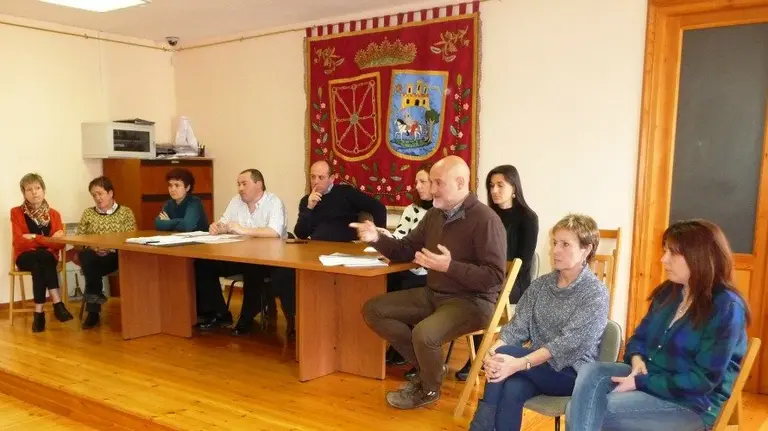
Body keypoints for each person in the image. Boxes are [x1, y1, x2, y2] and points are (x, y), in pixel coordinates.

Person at [352, 155, 507, 410]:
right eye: (431, 182)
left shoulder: (486, 220)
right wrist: (375, 238)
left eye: (438, 183)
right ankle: (431, 367)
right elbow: (405, 249)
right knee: (374, 310)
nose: (431, 189)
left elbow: (494, 277)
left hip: (473, 302)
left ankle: (429, 388)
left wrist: (450, 267)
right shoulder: (434, 215)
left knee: (424, 334)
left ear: (459, 182)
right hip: (434, 294)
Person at [565, 220, 750, 431]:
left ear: (700, 257)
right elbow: (639, 338)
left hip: (690, 404)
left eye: (672, 253)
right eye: (665, 251)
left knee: (584, 410)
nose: (664, 259)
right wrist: (636, 358)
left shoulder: (726, 307)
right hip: (650, 379)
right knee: (592, 371)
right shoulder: (669, 293)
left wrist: (640, 383)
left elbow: (702, 381)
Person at [469, 214, 609, 431]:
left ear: (586, 249)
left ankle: (479, 427)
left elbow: (566, 345)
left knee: (507, 354)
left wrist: (518, 362)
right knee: (513, 388)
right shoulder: (540, 286)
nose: (555, 250)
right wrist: (491, 354)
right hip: (537, 366)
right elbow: (517, 327)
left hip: (574, 373)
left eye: (565, 244)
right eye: (554, 243)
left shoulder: (595, 293)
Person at [456, 164, 540, 381]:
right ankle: (475, 355)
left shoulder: (528, 218)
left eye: (500, 185)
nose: (494, 190)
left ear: (514, 188)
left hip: (515, 283)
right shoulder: (485, 216)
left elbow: (523, 262)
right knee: (460, 291)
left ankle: (478, 358)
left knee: (479, 295)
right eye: (491, 186)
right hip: (487, 279)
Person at [194, 169, 288, 336]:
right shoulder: (236, 201)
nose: (240, 188)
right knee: (203, 264)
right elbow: (225, 223)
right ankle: (219, 313)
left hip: (267, 259)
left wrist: (243, 229)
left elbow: (274, 231)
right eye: (238, 184)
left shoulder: (274, 202)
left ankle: (246, 318)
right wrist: (217, 227)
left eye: (244, 184)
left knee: (253, 268)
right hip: (237, 255)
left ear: (258, 184)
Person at [379, 163, 433, 367]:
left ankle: (407, 347)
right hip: (409, 266)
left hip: (427, 271)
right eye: (416, 182)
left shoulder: (440, 212)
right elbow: (402, 236)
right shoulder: (412, 209)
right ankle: (398, 340)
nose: (417, 186)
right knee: (387, 283)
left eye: (423, 182)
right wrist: (385, 236)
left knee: (406, 287)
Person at [11, 173, 73, 332]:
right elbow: (19, 242)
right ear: (24, 193)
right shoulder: (16, 212)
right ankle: (58, 304)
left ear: (44, 190)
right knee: (43, 256)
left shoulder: (54, 214)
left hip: (47, 257)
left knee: (41, 262)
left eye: (38, 188)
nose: (34, 192)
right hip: (25, 257)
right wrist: (46, 240)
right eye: (29, 189)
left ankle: (38, 314)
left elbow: (59, 244)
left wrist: (33, 237)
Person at [76, 176, 137, 330]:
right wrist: (93, 248)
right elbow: (78, 240)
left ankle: (93, 311)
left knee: (91, 268)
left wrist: (111, 248)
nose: (97, 198)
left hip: (116, 256)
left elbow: (132, 239)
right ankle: (94, 310)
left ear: (110, 193)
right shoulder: (88, 214)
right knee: (88, 258)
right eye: (94, 195)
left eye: (100, 193)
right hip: (94, 256)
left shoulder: (125, 212)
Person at [294, 159, 387, 241]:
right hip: (316, 249)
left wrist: (379, 239)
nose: (315, 181)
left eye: (321, 177)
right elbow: (301, 235)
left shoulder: (346, 192)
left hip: (345, 249)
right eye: (312, 177)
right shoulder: (307, 201)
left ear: (332, 178)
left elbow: (379, 208)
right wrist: (309, 208)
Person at [154, 168, 209, 232]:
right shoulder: (169, 204)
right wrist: (177, 223)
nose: (172, 189)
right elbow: (158, 224)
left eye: (177, 185)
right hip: (176, 239)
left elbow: (187, 226)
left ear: (187, 188)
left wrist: (168, 222)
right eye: (170, 185)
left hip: (199, 240)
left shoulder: (194, 203)